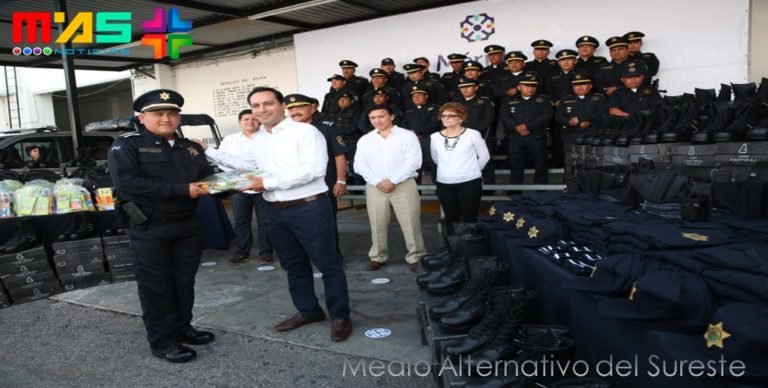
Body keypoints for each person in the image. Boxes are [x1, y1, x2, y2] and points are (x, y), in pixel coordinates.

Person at [202, 87, 352, 342]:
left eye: (268, 103)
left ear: (282, 105)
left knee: (328, 264)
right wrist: (206, 150)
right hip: (275, 210)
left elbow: (314, 170)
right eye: (256, 105)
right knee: (293, 265)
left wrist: (267, 184)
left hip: (309, 208)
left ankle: (340, 316)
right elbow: (247, 166)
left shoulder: (305, 131)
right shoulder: (260, 138)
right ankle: (308, 311)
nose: (262, 110)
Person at [107, 89, 215, 363]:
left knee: (183, 282)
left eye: (172, 113)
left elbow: (207, 178)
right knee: (157, 286)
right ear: (142, 118)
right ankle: (163, 341)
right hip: (150, 227)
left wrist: (235, 184)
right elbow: (127, 182)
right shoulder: (127, 144)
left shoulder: (190, 147)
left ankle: (182, 328)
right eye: (158, 113)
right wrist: (182, 189)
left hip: (187, 225)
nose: (166, 118)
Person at [354, 104, 426, 273]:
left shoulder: (407, 136)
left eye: (381, 116)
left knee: (410, 221)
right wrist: (378, 181)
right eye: (373, 118)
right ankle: (378, 256)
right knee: (377, 222)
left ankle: (416, 256)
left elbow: (414, 161)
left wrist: (393, 180)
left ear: (391, 116)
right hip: (375, 186)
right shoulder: (366, 139)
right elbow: (359, 165)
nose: (377, 121)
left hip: (404, 184)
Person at [218, 110, 274, 265]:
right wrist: (236, 177)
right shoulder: (230, 140)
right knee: (241, 221)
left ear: (260, 121)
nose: (250, 122)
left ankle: (266, 253)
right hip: (239, 186)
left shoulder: (268, 138)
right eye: (246, 119)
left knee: (265, 221)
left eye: (254, 119)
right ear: (240, 122)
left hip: (262, 185)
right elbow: (221, 160)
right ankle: (242, 252)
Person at [430, 102, 490, 224]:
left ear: (461, 118)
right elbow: (435, 158)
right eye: (443, 115)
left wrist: (472, 171)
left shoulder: (473, 134)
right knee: (451, 219)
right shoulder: (435, 137)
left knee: (470, 218)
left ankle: (470, 243)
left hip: (470, 183)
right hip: (444, 183)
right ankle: (452, 243)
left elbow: (485, 156)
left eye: (451, 115)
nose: (446, 118)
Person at [499, 73, 554, 185]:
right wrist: (517, 127)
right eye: (527, 85)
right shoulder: (508, 101)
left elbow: (547, 115)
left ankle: (541, 193)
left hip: (537, 136)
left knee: (541, 164)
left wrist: (527, 126)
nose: (530, 88)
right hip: (515, 136)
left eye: (533, 86)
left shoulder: (544, 100)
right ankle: (515, 192)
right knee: (515, 164)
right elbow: (504, 117)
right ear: (519, 87)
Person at [400, 88, 440, 184]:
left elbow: (436, 123)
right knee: (415, 166)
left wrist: (417, 132)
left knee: (434, 165)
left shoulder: (435, 108)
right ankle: (416, 192)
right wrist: (412, 134)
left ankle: (439, 190)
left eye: (419, 95)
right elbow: (403, 125)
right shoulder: (409, 111)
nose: (416, 98)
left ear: (426, 96)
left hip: (430, 140)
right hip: (413, 142)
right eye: (414, 96)